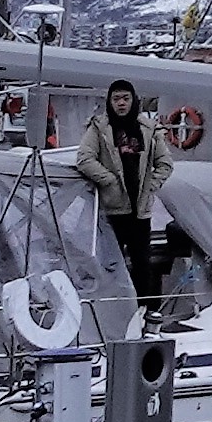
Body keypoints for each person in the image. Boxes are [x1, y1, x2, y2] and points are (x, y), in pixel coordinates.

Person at [70, 79, 178, 323]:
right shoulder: (99, 128)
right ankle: (110, 313)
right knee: (109, 264)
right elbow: (84, 159)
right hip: (112, 210)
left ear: (133, 100)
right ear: (109, 101)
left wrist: (151, 186)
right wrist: (108, 180)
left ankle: (149, 312)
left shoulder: (149, 129)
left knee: (143, 264)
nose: (121, 103)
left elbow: (165, 163)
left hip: (140, 211)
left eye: (125, 98)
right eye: (116, 98)